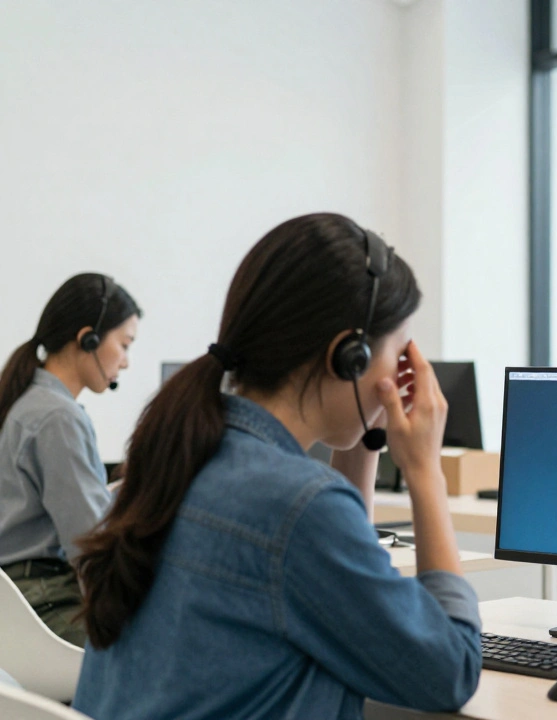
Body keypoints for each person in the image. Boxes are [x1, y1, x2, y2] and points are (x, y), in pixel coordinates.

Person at [73, 214, 481, 718]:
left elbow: (341, 595)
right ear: (348, 357)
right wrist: (425, 472)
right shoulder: (297, 504)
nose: (398, 381)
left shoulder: (181, 454)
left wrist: (362, 442)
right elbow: (450, 670)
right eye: (397, 356)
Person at [0, 273, 141, 646]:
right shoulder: (58, 417)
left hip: (18, 599)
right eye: (124, 344)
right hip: (45, 597)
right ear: (88, 339)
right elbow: (88, 540)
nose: (126, 362)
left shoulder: (25, 400)